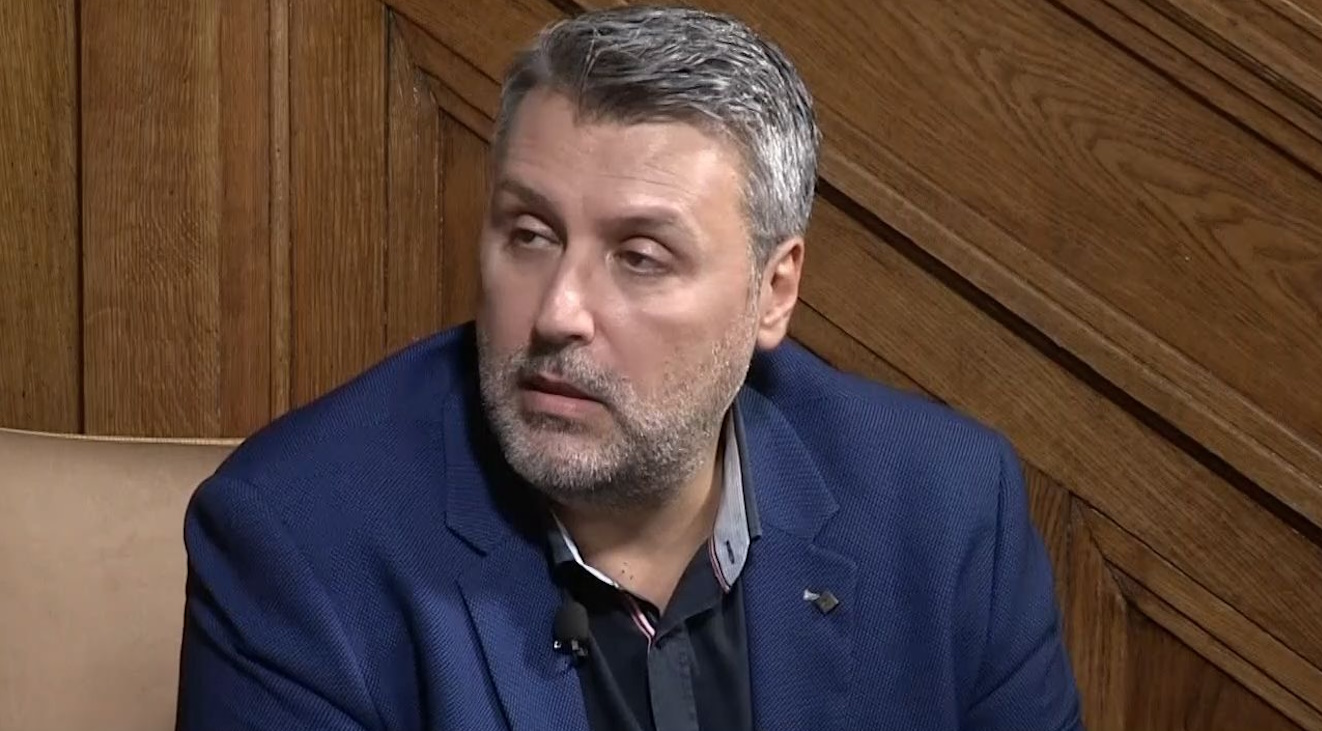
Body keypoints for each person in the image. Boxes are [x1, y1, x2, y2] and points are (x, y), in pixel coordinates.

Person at [175, 5, 1083, 730]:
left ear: (773, 292)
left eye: (641, 257)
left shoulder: (948, 509)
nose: (557, 312)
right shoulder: (301, 537)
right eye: (530, 235)